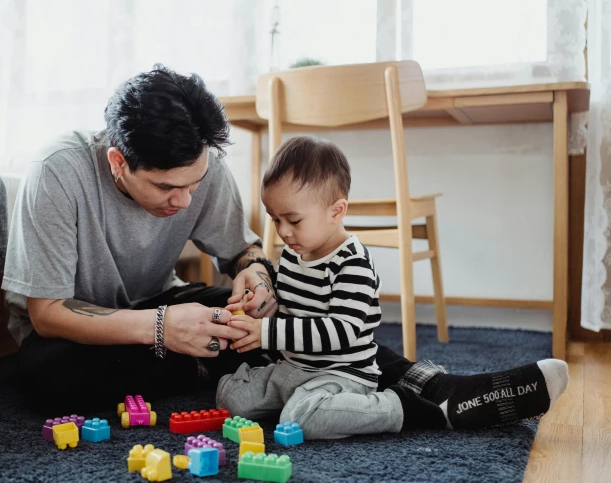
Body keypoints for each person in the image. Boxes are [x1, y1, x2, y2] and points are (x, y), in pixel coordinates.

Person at [2, 65, 568, 428]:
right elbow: (48, 314)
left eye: (193, 185)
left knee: (288, 314)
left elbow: (243, 254)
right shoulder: (58, 174)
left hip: (162, 310)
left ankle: (442, 390)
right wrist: (161, 329)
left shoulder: (205, 170)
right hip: (82, 332)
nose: (183, 200)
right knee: (46, 379)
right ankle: (211, 365)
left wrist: (259, 278)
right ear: (118, 164)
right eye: (166, 188)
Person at [218, 137, 568, 435]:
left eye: (293, 220)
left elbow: (341, 331)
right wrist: (264, 302)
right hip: (295, 367)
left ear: (336, 211)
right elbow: (296, 307)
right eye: (275, 219)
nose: (283, 231)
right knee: (230, 398)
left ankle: (402, 407)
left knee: (300, 417)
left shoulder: (352, 263)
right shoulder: (295, 252)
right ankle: (307, 400)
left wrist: (267, 332)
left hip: (343, 373)